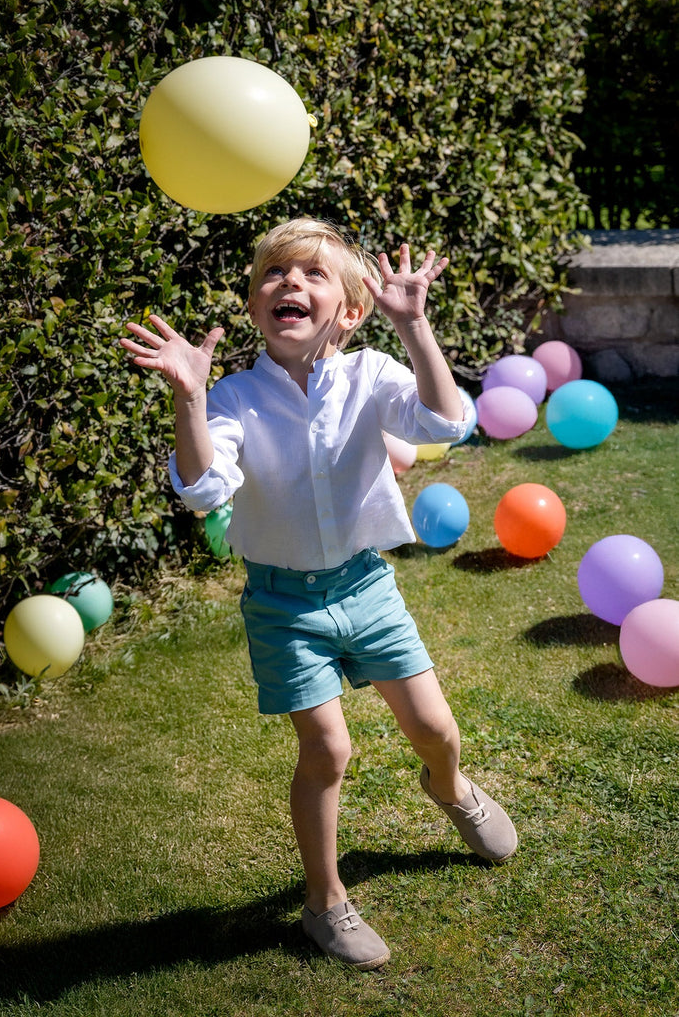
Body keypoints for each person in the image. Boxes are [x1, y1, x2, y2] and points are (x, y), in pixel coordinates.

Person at [121, 217, 517, 971]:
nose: (289, 285)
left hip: (367, 587)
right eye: (273, 275)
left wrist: (416, 327)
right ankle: (324, 904)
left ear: (351, 309)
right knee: (326, 748)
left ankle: (450, 787)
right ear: (253, 306)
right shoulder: (233, 396)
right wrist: (190, 400)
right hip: (282, 603)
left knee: (435, 730)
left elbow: (444, 421)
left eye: (310, 276)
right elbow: (205, 491)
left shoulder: (373, 374)